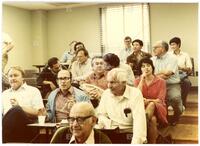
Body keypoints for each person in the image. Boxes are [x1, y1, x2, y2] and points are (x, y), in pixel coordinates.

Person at [97, 68, 147, 144]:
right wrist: (106, 124)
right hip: (110, 131)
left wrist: (135, 143)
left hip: (129, 133)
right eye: (108, 82)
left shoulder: (135, 94)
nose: (109, 86)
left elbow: (139, 123)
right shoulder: (106, 94)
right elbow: (101, 114)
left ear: (124, 83)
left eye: (113, 82)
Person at [2, 66, 44, 143]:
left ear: (23, 77)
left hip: (27, 128)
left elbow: (40, 113)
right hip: (7, 129)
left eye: (16, 75)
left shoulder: (33, 91)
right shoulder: (4, 94)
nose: (13, 78)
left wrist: (20, 107)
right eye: (10, 76)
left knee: (16, 110)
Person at [134, 57, 168, 143]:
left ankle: (140, 126)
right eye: (143, 66)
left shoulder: (161, 81)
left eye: (148, 65)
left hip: (158, 108)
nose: (146, 68)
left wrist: (147, 100)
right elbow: (136, 97)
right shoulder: (137, 81)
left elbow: (160, 100)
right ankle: (152, 143)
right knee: (152, 120)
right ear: (140, 69)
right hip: (142, 108)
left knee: (152, 104)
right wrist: (142, 79)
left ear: (152, 67)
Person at [151, 40, 183, 126]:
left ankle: (176, 117)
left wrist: (155, 75)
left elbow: (168, 74)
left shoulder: (172, 58)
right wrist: (160, 74)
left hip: (171, 84)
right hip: (157, 84)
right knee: (156, 101)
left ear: (162, 49)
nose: (153, 49)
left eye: (155, 47)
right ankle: (161, 119)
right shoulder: (152, 59)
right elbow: (151, 74)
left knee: (175, 98)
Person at [169, 37, 192, 108]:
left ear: (178, 44)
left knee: (187, 82)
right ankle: (170, 103)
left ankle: (182, 101)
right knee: (164, 82)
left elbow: (189, 68)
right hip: (171, 75)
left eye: (173, 44)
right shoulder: (168, 55)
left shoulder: (185, 55)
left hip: (181, 74)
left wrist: (180, 68)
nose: (172, 46)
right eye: (171, 45)